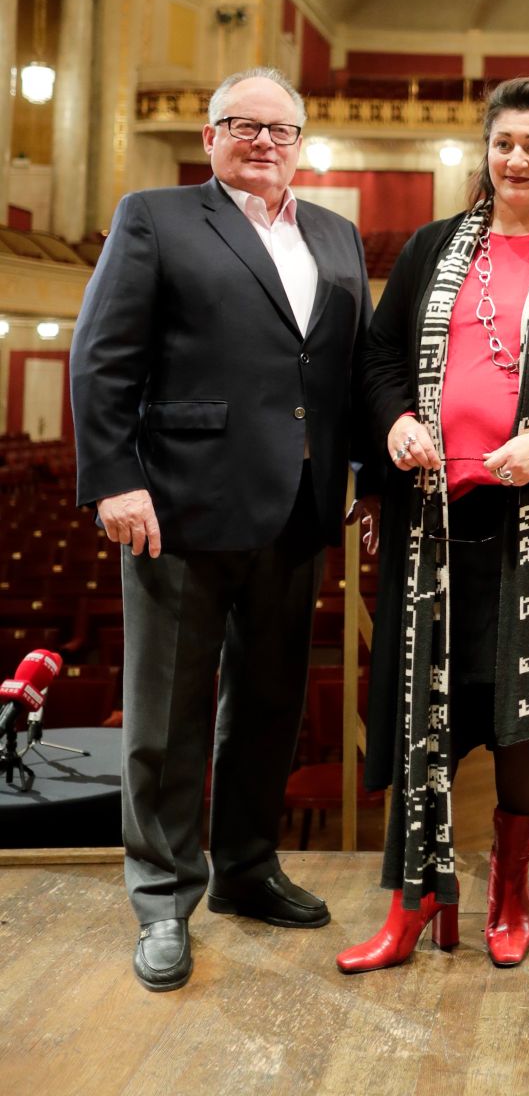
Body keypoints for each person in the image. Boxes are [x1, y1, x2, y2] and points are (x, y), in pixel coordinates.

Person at [69, 68, 375, 993]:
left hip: (297, 506)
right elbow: (101, 355)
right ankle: (163, 896)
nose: (264, 142)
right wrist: (114, 479)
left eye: (282, 130)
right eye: (244, 125)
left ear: (302, 143)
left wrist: (363, 477)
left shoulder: (335, 233)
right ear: (210, 137)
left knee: (270, 704)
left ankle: (247, 867)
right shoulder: (156, 217)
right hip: (179, 506)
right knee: (168, 715)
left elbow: (350, 371)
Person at [338, 76, 529, 974]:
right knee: (422, 711)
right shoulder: (432, 248)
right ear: (486, 152)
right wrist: (397, 419)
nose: (517, 159)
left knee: (522, 714)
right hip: (432, 522)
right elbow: (379, 357)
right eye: (504, 142)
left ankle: (510, 893)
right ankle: (414, 898)